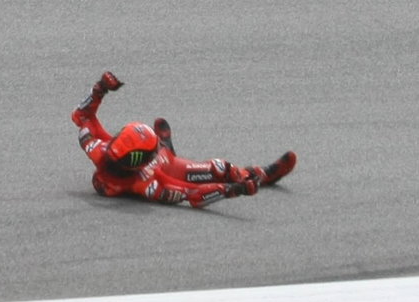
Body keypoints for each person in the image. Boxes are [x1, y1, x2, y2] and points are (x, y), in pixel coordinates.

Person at [72, 71, 296, 208]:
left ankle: (166, 143)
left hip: (159, 158)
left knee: (173, 155)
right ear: (139, 162)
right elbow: (192, 195)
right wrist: (233, 189)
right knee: (221, 168)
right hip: (168, 166)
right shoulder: (149, 185)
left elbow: (81, 116)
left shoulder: (97, 147)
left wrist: (100, 89)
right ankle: (262, 174)